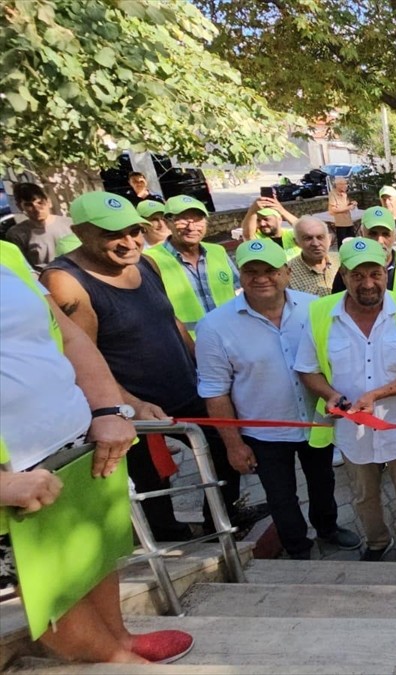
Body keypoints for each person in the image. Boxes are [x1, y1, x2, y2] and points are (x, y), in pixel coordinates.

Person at [0, 238, 194, 665]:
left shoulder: (6, 255)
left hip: (74, 442)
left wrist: (108, 408)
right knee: (49, 591)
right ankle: (115, 664)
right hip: (13, 473)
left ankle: (119, 639)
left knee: (95, 554)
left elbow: (67, 336)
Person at [42, 192, 258, 542]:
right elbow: (80, 355)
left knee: (225, 447)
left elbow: (169, 319)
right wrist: (129, 404)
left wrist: (204, 367)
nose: (129, 242)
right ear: (81, 232)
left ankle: (219, 523)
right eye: (114, 234)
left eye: (134, 231)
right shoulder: (66, 282)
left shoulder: (146, 263)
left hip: (185, 388)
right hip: (133, 407)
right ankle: (169, 538)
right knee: (150, 478)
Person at [196, 239, 360, 560]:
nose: (261, 278)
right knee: (280, 496)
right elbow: (215, 392)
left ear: (286, 272)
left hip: (316, 423)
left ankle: (327, 528)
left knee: (323, 483)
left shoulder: (315, 308)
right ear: (239, 276)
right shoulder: (215, 327)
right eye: (251, 271)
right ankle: (297, 547)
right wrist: (233, 445)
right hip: (265, 434)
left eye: (270, 270)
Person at [296, 238, 396, 562]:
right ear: (343, 274)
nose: (368, 283)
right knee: (363, 495)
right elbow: (307, 369)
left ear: (386, 271)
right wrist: (330, 394)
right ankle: (376, 543)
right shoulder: (319, 313)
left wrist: (377, 394)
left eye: (375, 273)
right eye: (358, 275)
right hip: (351, 431)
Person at [142, 195, 239, 338]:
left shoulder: (217, 251)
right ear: (168, 222)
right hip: (187, 346)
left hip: (231, 339)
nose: (191, 227)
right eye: (183, 220)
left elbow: (239, 291)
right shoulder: (150, 259)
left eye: (198, 220)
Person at [331, 206, 396, 294]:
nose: (379, 241)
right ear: (361, 233)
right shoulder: (349, 268)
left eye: (385, 234)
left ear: (394, 235)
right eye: (373, 234)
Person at [6, 182, 74, 272]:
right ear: (20, 207)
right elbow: (23, 268)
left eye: (40, 203)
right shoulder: (17, 234)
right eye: (29, 205)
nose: (37, 209)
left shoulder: (70, 224)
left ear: (49, 202)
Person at [286, 216, 339, 297]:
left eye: (320, 237)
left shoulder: (342, 261)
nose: (316, 244)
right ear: (297, 242)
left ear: (329, 239)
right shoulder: (287, 273)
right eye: (308, 238)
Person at [327, 177, 357, 245]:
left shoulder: (344, 194)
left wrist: (352, 203)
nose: (346, 186)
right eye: (343, 184)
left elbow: (345, 205)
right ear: (338, 185)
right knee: (342, 242)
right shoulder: (332, 194)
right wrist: (348, 207)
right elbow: (333, 209)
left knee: (352, 241)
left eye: (346, 184)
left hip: (348, 221)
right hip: (340, 223)